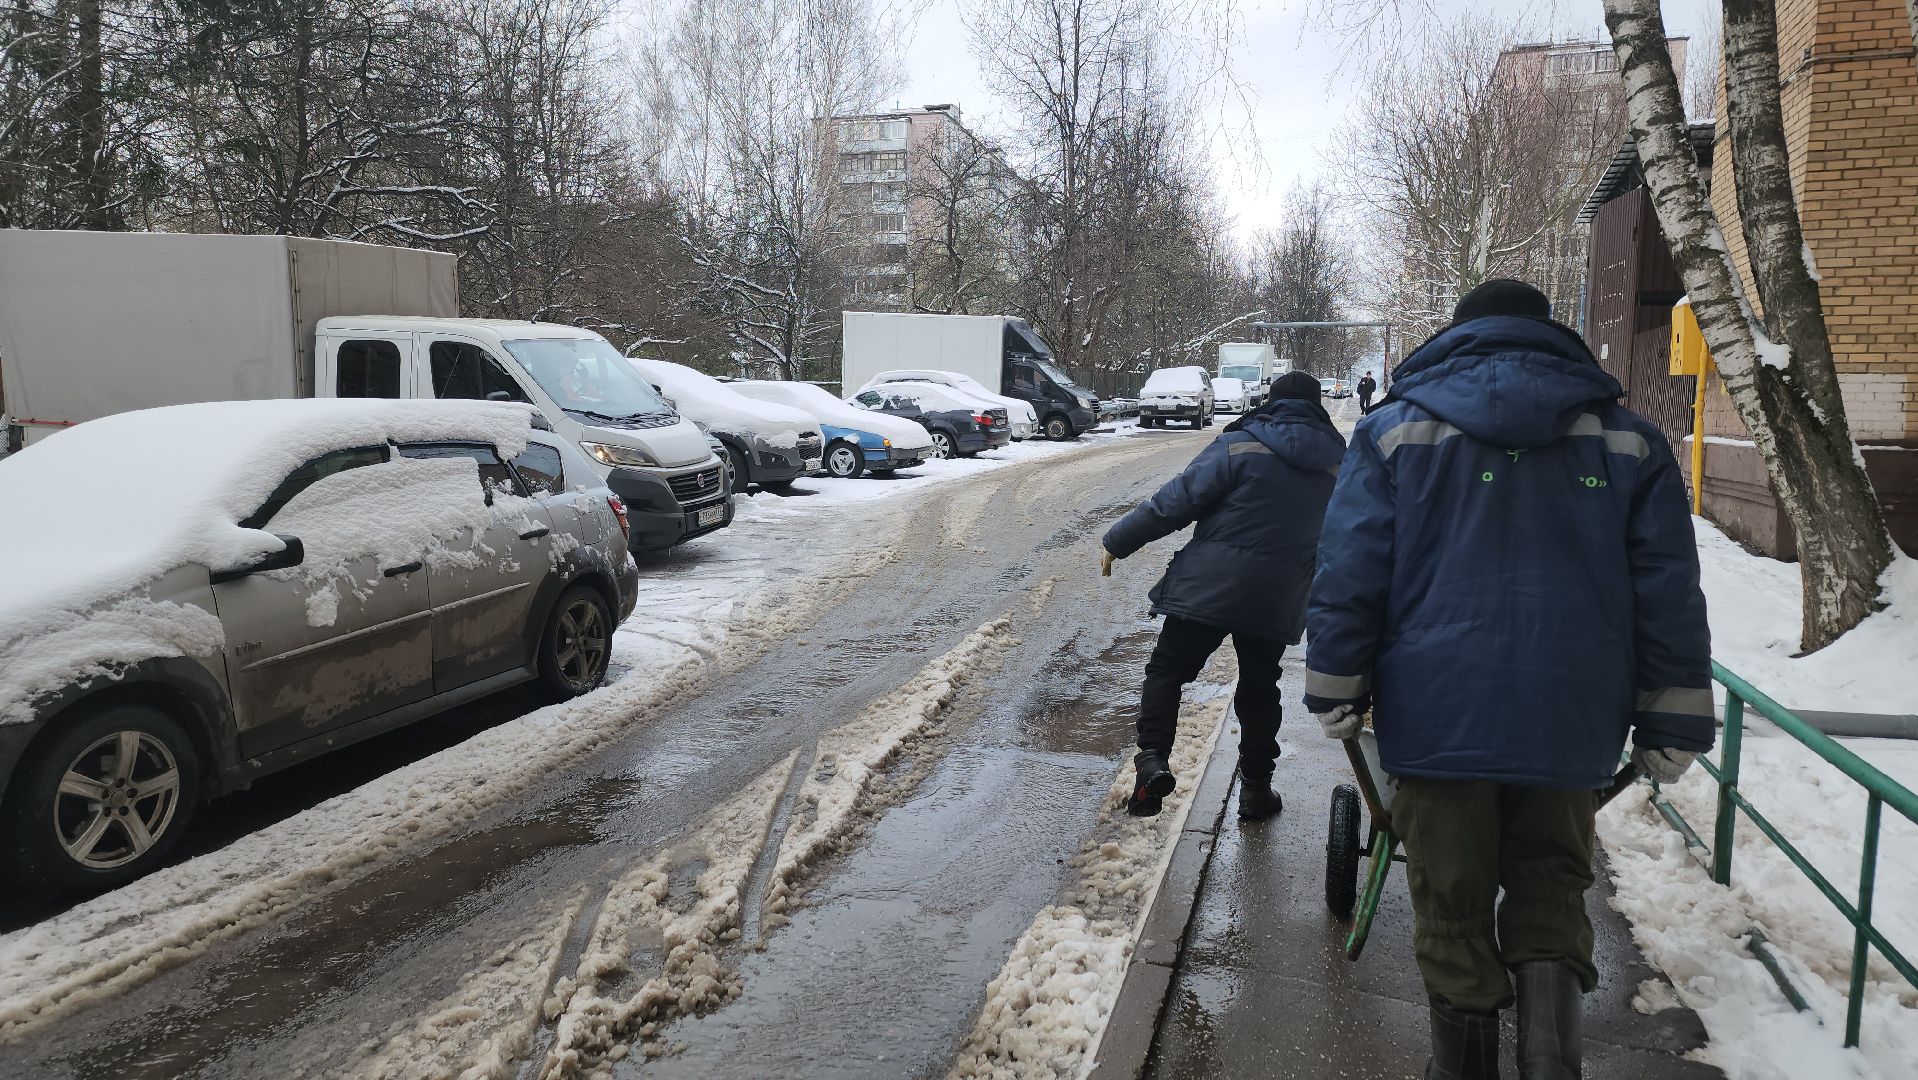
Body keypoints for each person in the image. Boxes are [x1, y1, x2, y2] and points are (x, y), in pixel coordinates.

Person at [1304, 278, 1713, 1080]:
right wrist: (1673, 721)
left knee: (1451, 905)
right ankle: (1552, 1065)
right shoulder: (1630, 441)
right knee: (1553, 889)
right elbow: (1666, 591)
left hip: (1435, 718)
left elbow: (1350, 571)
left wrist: (1337, 686)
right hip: (1572, 719)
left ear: (1459, 336)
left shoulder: (1392, 434)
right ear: (1549, 336)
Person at [1101, 371, 1346, 820]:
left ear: (1271, 401)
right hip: (1278, 595)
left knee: (1168, 671)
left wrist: (1118, 541)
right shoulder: (1340, 463)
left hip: (1208, 586)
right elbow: (1347, 538)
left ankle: (1152, 762)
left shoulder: (1241, 442)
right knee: (1259, 688)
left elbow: (1174, 502)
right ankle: (1255, 791)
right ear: (1318, 407)